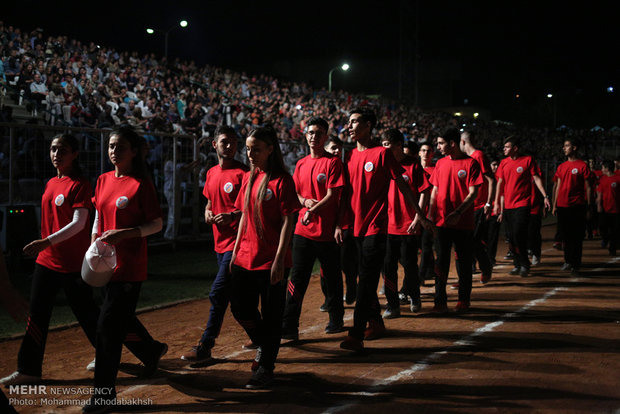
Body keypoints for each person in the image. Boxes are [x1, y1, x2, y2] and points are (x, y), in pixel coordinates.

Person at [0, 134, 96, 386]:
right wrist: (46, 247)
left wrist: (45, 242)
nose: (56, 154)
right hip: (47, 261)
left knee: (87, 313)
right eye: (53, 149)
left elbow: (79, 224)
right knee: (37, 314)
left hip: (72, 262)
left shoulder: (80, 184)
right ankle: (28, 368)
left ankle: (108, 354)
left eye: (62, 150)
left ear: (74, 154)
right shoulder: (52, 182)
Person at [84, 125, 166, 413]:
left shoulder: (141, 183)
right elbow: (99, 214)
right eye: (110, 146)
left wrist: (125, 234)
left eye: (120, 146)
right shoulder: (103, 179)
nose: (113, 151)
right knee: (118, 318)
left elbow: (157, 224)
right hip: (104, 262)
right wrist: (94, 241)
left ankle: (103, 396)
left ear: (133, 151)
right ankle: (151, 350)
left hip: (129, 267)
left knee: (107, 327)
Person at [337, 107, 431, 352]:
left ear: (368, 126)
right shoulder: (350, 157)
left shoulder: (382, 153)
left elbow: (403, 186)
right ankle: (376, 323)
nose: (350, 126)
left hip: (376, 228)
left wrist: (419, 214)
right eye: (349, 122)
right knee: (361, 278)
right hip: (355, 229)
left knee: (366, 282)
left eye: (355, 121)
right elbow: (348, 195)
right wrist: (340, 223)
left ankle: (356, 334)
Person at [229, 126, 300, 389]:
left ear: (270, 149)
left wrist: (280, 259)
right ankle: (265, 343)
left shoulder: (282, 180)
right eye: (248, 148)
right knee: (240, 308)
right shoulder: (249, 178)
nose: (250, 153)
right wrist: (235, 251)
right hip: (244, 257)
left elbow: (287, 220)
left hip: (270, 260)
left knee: (272, 316)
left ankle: (266, 366)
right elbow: (244, 216)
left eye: (256, 149)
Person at [180, 126, 249, 364]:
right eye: (224, 142)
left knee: (218, 293)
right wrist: (208, 212)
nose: (228, 146)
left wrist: (232, 216)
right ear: (214, 145)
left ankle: (205, 345)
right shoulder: (210, 174)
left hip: (237, 243)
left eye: (233, 142)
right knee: (238, 298)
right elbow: (209, 202)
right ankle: (260, 335)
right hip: (219, 245)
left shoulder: (244, 173)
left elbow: (251, 209)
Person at [281, 117, 345, 341]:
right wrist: (304, 202)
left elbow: (333, 195)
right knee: (297, 278)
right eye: (310, 132)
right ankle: (289, 326)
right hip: (302, 231)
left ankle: (336, 319)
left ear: (325, 137)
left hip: (325, 232)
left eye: (318, 133)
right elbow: (295, 194)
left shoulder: (333, 163)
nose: (313, 136)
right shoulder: (301, 164)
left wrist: (312, 209)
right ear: (305, 135)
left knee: (333, 279)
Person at [427, 128, 483, 313]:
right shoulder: (440, 163)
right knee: (441, 261)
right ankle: (439, 301)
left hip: (463, 222)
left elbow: (473, 192)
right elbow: (434, 191)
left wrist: (458, 212)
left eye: (441, 143)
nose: (438, 147)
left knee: (464, 262)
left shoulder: (471, 163)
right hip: (442, 222)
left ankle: (463, 300)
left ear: (452, 143)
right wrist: (430, 214)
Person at [380, 129, 429, 317]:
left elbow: (424, 191)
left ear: (399, 145)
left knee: (409, 265)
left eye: (388, 145)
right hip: (387, 226)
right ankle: (393, 305)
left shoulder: (413, 165)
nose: (384, 149)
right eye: (383, 144)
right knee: (388, 267)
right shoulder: (381, 165)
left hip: (408, 225)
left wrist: (418, 217)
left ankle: (414, 296)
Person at [494, 136, 550, 278]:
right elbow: (500, 183)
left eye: (507, 147)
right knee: (511, 237)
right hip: (508, 205)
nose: (504, 149)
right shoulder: (503, 163)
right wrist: (496, 204)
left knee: (519, 234)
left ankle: (525, 264)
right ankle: (517, 264)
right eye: (504, 147)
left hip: (522, 204)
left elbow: (536, 178)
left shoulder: (527, 160)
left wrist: (545, 196)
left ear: (515, 148)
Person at [325, 135, 358, 305]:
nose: (337, 151)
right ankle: (329, 298)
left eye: (339, 148)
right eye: (333, 148)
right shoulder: (323, 167)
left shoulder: (346, 168)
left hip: (345, 223)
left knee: (347, 262)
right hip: (325, 224)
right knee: (328, 266)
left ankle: (352, 288)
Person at [460, 129, 495, 284]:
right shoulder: (466, 158)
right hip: (468, 206)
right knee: (468, 242)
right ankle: (468, 274)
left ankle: (485, 267)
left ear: (463, 142)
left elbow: (491, 180)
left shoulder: (478, 156)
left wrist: (488, 202)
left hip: (479, 205)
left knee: (472, 241)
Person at [552, 139, 591, 274]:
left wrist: (589, 204)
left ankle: (575, 263)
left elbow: (588, 186)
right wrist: (555, 204)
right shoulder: (561, 166)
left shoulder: (582, 165)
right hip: (563, 205)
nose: (564, 148)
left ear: (574, 147)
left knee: (577, 236)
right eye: (564, 146)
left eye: (567, 146)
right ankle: (568, 261)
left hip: (577, 205)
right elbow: (558, 186)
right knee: (566, 236)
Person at [418, 140, 436, 283]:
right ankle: (430, 269)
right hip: (413, 215)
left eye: (428, 151)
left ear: (432, 154)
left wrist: (431, 213)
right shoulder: (413, 169)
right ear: (419, 153)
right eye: (423, 150)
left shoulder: (436, 170)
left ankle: (421, 275)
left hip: (428, 214)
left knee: (425, 245)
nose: (426, 153)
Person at [596, 160, 619, 256]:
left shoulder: (618, 179)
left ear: (607, 168)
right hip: (605, 209)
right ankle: (605, 239)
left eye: (603, 168)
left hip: (616, 209)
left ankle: (612, 248)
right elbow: (599, 194)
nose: (602, 170)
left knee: (615, 230)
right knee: (603, 227)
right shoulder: (603, 179)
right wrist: (599, 206)